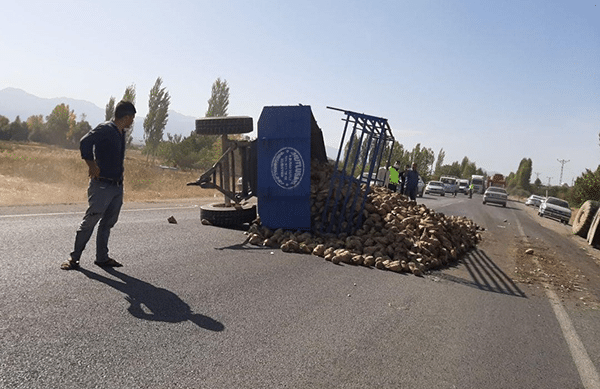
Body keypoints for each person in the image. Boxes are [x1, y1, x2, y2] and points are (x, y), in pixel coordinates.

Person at [61, 100, 136, 270]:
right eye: (132, 118)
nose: (132, 121)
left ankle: (102, 258)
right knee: (90, 221)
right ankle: (74, 259)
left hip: (116, 186)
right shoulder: (106, 129)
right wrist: (91, 164)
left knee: (108, 223)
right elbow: (85, 142)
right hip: (102, 186)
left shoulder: (120, 132)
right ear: (126, 117)